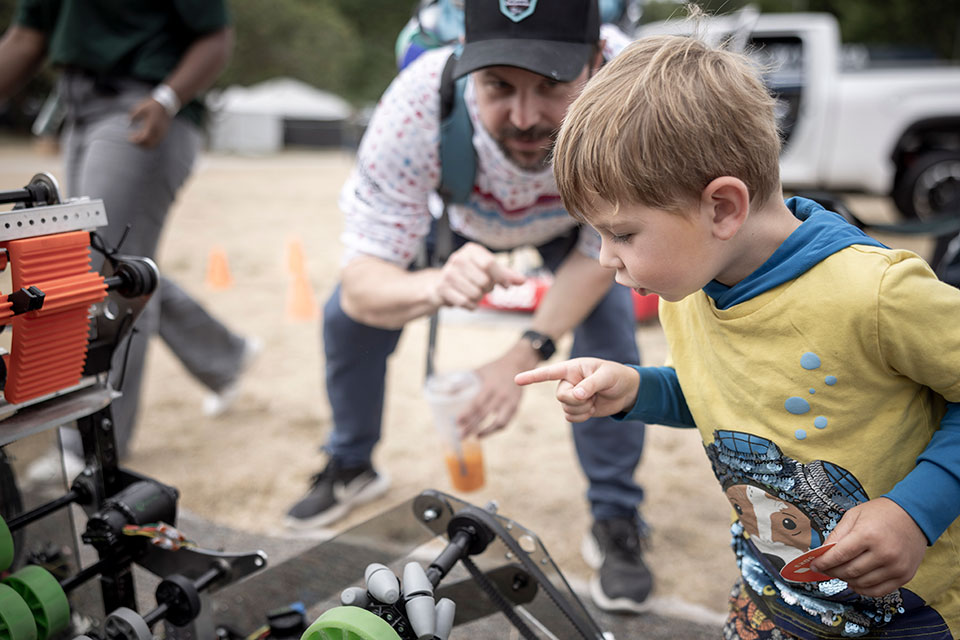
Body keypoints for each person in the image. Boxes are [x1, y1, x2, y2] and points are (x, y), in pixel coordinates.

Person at [517, 34, 960, 639]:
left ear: (723, 208)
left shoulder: (874, 294)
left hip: (914, 610)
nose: (603, 259)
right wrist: (638, 390)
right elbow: (737, 396)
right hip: (771, 587)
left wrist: (916, 512)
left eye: (621, 234)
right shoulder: (693, 281)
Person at [287, 0, 653, 613]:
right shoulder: (417, 103)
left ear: (596, 63)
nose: (525, 116)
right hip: (461, 221)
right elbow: (362, 284)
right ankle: (351, 460)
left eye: (553, 85)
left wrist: (524, 349)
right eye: (498, 85)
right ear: (463, 66)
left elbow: (599, 256)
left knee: (609, 330)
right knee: (345, 319)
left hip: (580, 220)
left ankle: (617, 514)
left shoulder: (635, 96)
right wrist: (434, 284)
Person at [0, 1, 259, 463]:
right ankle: (224, 355)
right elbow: (26, 38)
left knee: (103, 276)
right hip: (78, 110)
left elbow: (215, 35)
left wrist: (168, 97)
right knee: (110, 266)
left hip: (142, 108)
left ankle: (93, 449)